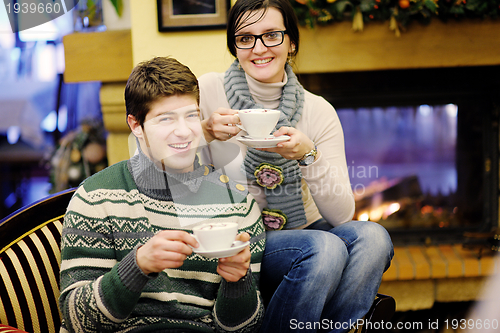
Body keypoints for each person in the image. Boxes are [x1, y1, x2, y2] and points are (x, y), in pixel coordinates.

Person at [197, 0, 394, 332]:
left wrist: (308, 155)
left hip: (308, 228)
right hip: (243, 234)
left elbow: (342, 215)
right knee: (325, 247)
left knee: (374, 237)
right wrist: (204, 133)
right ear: (235, 46)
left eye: (272, 35)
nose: (259, 48)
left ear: (292, 43)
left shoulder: (318, 111)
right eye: (246, 38)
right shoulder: (209, 91)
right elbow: (162, 156)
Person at [59, 56, 266, 333]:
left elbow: (245, 329)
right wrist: (139, 264)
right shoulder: (97, 197)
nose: (184, 132)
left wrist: (238, 282)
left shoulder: (238, 204)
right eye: (165, 118)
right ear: (136, 125)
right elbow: (78, 321)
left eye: (191, 116)